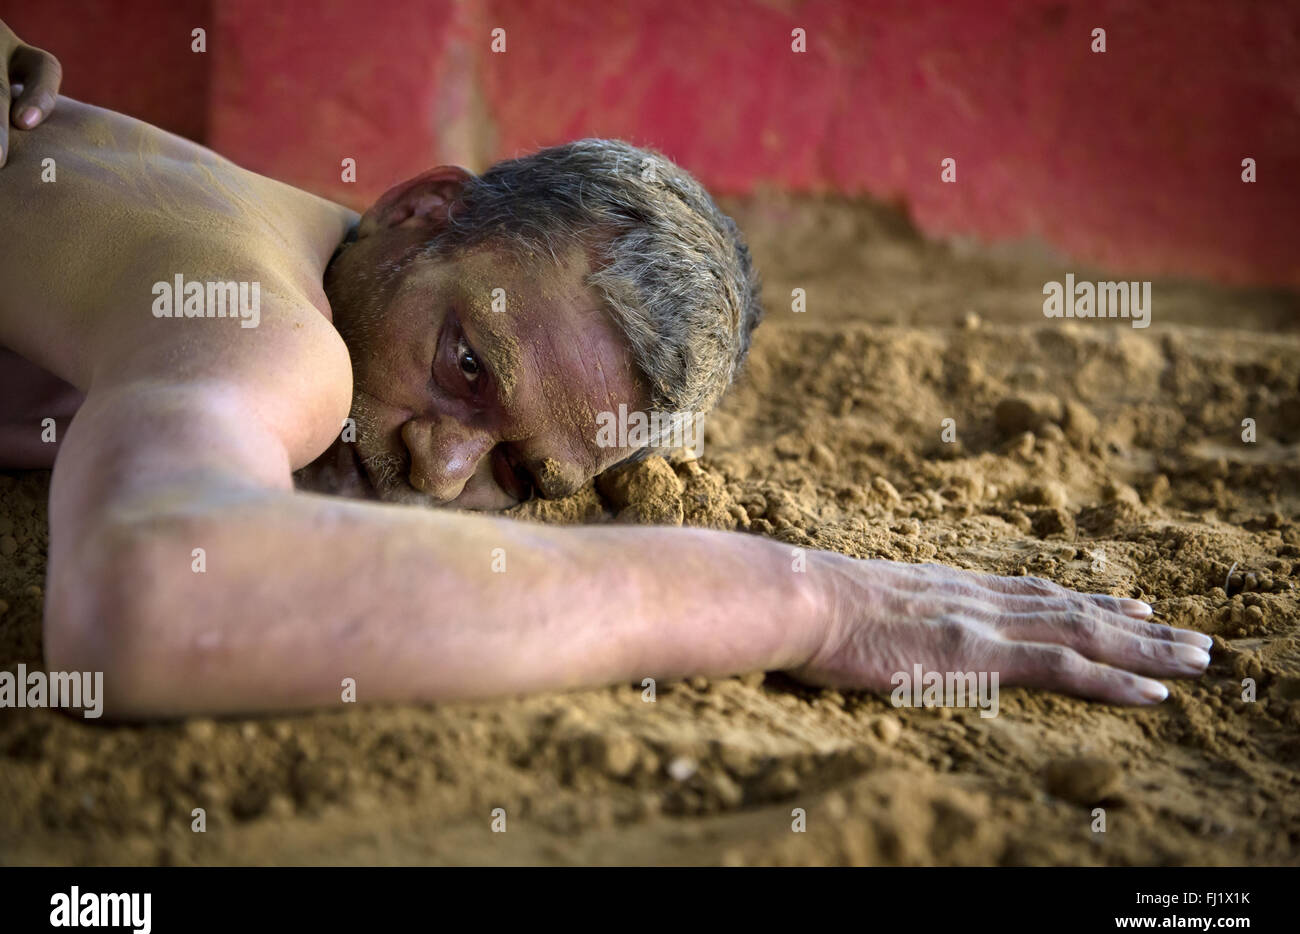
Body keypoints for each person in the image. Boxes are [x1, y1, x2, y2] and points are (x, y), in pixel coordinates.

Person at [0, 20, 1212, 718]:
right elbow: (149, 597)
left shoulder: (269, 244)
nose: (437, 464)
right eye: (467, 370)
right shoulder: (277, 335)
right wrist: (799, 596)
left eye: (519, 479)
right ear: (425, 210)